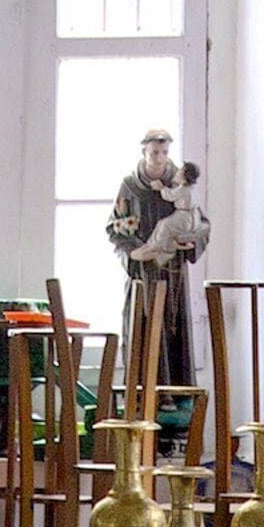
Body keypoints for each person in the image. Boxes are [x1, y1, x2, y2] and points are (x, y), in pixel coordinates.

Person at [104, 130, 198, 391]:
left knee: (174, 337)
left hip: (172, 276)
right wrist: (134, 252)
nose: (160, 158)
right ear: (144, 151)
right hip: (142, 276)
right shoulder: (130, 187)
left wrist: (190, 240)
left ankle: (177, 413)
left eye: (165, 152)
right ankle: (141, 410)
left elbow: (199, 224)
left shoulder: (180, 185)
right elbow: (114, 228)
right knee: (142, 337)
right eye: (155, 152)